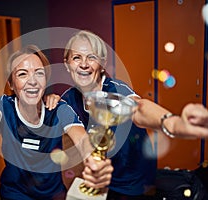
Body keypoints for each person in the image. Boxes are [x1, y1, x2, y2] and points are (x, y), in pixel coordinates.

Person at [0, 45, 114, 200]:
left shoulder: (59, 109)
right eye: (22, 74)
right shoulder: (3, 106)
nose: (32, 81)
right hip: (16, 193)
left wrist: (94, 161)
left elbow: (81, 139)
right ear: (11, 84)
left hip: (54, 194)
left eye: (39, 73)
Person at [61, 30, 157, 199]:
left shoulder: (116, 89)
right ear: (67, 64)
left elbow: (139, 107)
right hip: (99, 179)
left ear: (102, 63)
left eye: (92, 57)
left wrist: (167, 121)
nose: (84, 64)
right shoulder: (68, 98)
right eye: (76, 58)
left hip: (132, 182)